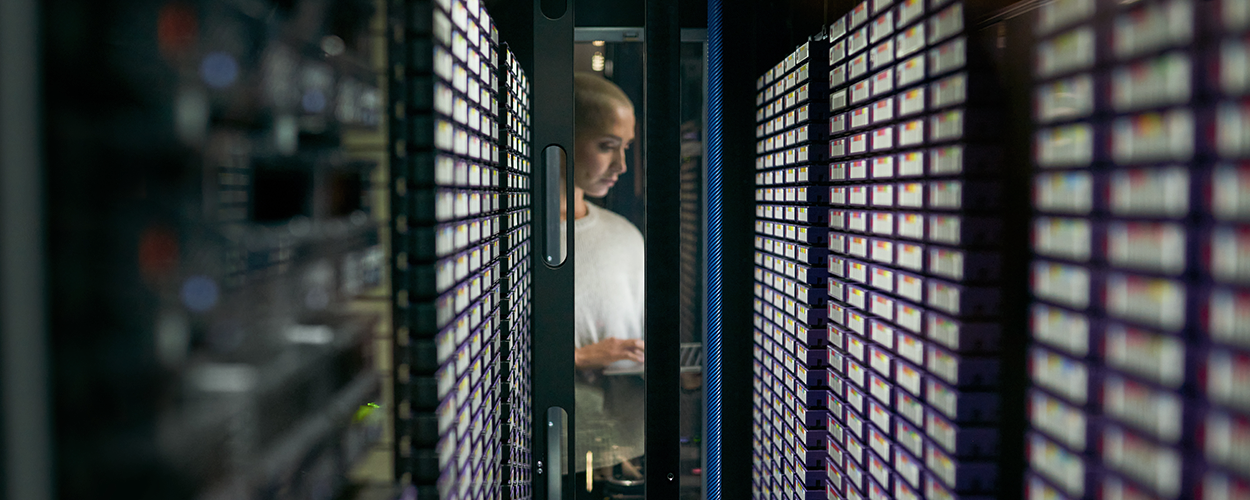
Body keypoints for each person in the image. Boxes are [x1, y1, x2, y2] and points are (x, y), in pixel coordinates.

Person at [563, 72, 646, 498]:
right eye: (607, 147)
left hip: (619, 461)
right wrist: (576, 357)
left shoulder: (625, 235)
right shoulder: (503, 233)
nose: (621, 167)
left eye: (625, 149)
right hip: (541, 461)